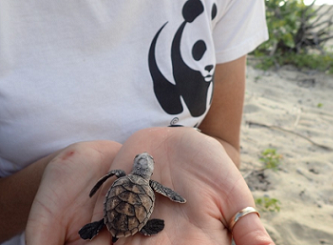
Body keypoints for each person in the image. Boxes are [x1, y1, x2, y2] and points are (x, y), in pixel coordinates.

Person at [0, 0, 273, 244]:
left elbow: (224, 141)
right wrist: (58, 171)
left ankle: (108, 226)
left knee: (113, 227)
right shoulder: (148, 184)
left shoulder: (120, 175)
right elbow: (167, 194)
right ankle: (138, 227)